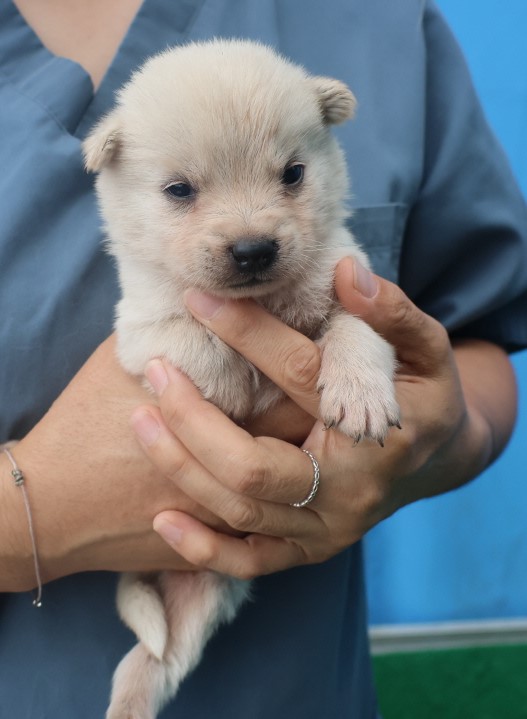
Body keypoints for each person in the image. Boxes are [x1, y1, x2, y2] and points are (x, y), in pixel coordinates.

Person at [1, 0, 526, 717]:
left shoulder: (381, 23)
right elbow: (149, 345)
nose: (249, 235)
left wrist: (439, 436)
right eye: (182, 191)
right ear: (112, 170)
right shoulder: (149, 259)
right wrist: (37, 513)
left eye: (288, 177)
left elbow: (471, 339)